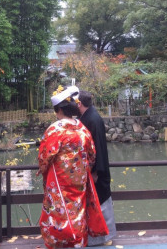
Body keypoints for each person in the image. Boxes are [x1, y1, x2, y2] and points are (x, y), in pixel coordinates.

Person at [38, 85, 108, 249]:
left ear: (59, 110)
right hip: (79, 179)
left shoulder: (55, 129)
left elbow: (44, 156)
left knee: (57, 210)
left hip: (59, 180)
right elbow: (92, 154)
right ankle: (78, 241)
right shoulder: (82, 128)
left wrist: (42, 168)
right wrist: (82, 169)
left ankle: (58, 241)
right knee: (78, 210)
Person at [77, 90, 117, 246]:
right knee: (95, 203)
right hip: (93, 168)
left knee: (101, 202)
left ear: (79, 103)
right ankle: (95, 237)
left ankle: (104, 237)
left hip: (97, 170)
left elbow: (98, 147)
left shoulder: (93, 119)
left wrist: (95, 171)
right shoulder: (89, 117)